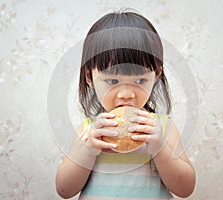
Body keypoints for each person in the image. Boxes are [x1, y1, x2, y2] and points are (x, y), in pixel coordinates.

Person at [55, 10, 196, 199]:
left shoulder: (163, 128)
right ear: (89, 77)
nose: (127, 94)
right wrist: (88, 152)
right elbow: (64, 190)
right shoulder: (88, 132)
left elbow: (185, 189)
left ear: (156, 76)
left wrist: (160, 150)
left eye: (140, 81)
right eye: (113, 81)